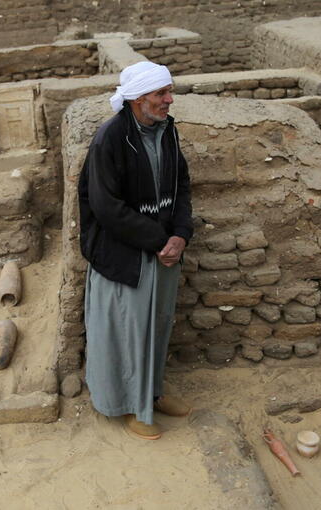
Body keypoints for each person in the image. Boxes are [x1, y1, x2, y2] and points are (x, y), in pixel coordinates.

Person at [78, 60, 198, 440]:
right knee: (128, 332)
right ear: (138, 98)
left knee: (157, 326)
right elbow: (106, 206)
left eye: (168, 92)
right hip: (125, 255)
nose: (169, 100)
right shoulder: (110, 139)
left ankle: (152, 393)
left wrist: (180, 233)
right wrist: (159, 240)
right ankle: (132, 406)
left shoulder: (167, 132)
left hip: (163, 251)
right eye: (162, 93)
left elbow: (181, 185)